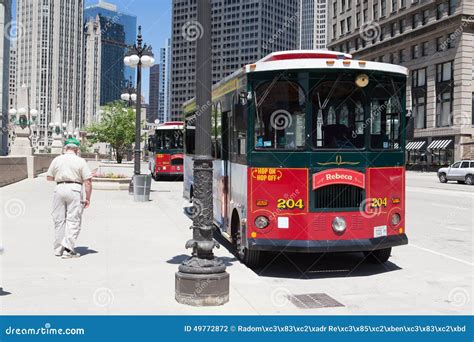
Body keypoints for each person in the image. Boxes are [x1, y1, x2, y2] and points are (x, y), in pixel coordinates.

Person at [46, 137, 93, 259]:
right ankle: (68, 249)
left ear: (65, 148)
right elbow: (88, 181)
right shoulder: (80, 161)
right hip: (75, 189)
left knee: (58, 219)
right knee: (73, 219)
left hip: (59, 188)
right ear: (77, 149)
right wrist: (88, 198)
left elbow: (49, 178)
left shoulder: (57, 159)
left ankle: (58, 249)